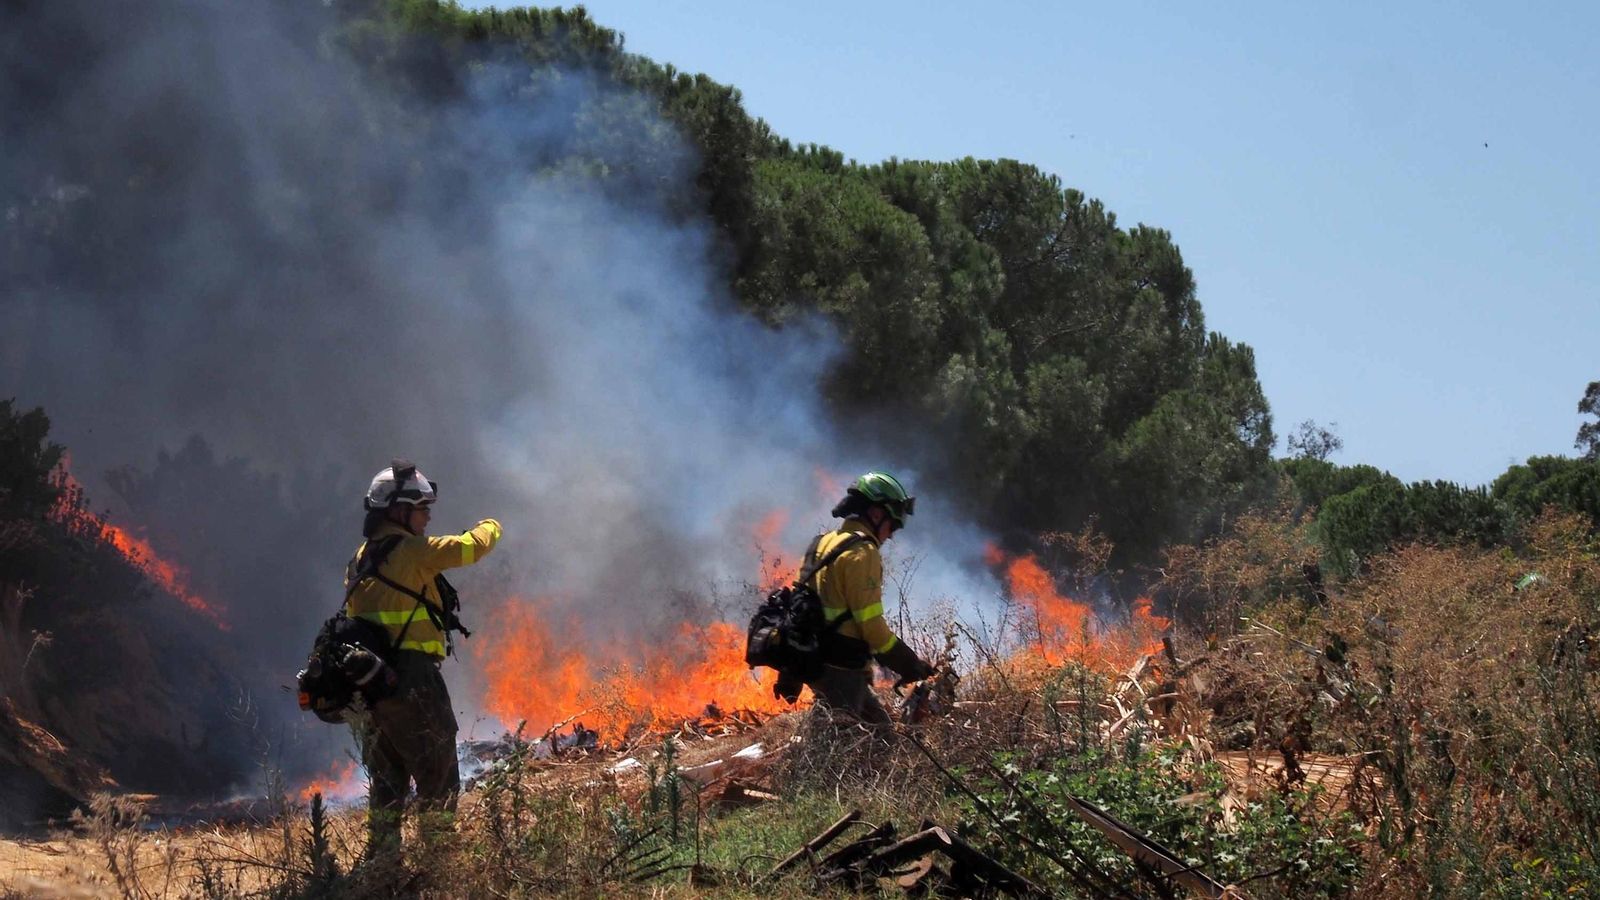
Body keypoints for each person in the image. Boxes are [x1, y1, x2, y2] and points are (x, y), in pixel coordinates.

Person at [345, 460, 502, 856]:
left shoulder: (360, 558)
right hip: (412, 678)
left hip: (371, 684)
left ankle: (384, 867)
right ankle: (438, 864)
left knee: (387, 782)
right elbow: (470, 547)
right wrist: (493, 524)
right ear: (398, 511)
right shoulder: (411, 552)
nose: (428, 517)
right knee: (438, 774)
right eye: (421, 508)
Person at [802, 471, 936, 725]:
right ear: (875, 514)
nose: (891, 534)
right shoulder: (863, 552)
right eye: (892, 525)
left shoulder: (822, 543)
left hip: (818, 662)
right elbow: (871, 626)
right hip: (843, 669)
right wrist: (908, 662)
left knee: (881, 732)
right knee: (845, 742)